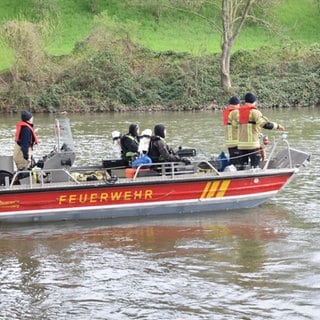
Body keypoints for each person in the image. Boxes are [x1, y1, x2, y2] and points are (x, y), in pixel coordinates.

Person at [237, 93, 285, 169]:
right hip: (253, 145)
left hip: (241, 146)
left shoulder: (238, 112)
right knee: (255, 168)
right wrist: (278, 126)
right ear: (254, 101)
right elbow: (265, 125)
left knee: (241, 168)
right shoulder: (254, 112)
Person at [223, 96, 240, 167]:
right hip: (236, 141)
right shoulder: (236, 112)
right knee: (236, 162)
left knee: (233, 158)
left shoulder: (226, 112)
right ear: (237, 104)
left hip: (229, 141)